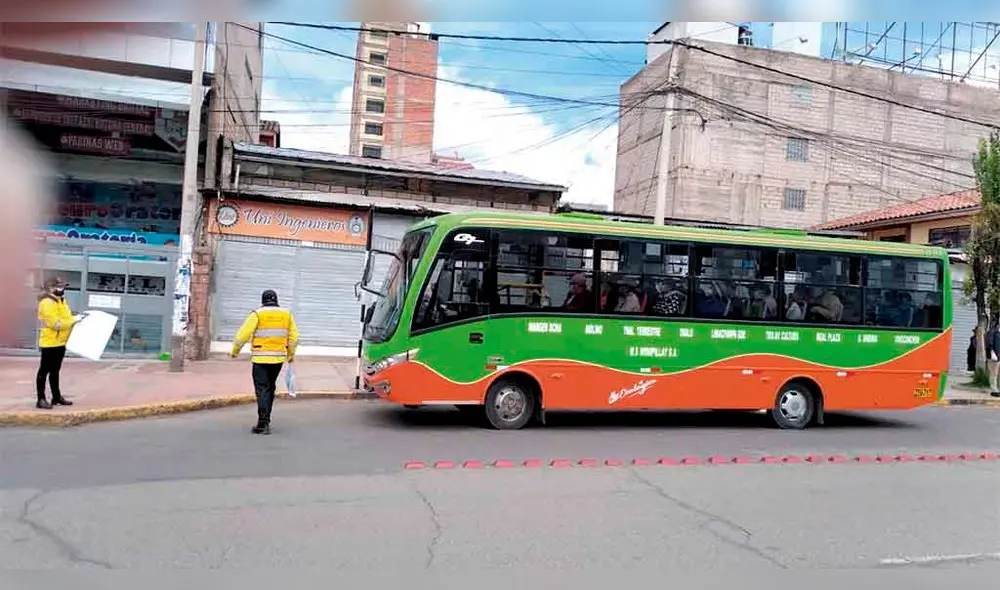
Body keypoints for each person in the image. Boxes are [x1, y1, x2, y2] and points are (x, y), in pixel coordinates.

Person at [231, 290, 299, 434]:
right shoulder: (286, 315)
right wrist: (290, 355)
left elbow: (242, 335)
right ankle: (266, 419)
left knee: (262, 389)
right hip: (278, 359)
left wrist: (235, 351)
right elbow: (294, 337)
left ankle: (263, 423)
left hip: (260, 358)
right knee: (270, 388)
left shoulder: (257, 314)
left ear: (263, 300)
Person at [36, 277, 80, 409]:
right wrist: (74, 320)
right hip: (50, 342)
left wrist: (75, 320)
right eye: (60, 287)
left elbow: (66, 318)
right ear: (51, 288)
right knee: (44, 371)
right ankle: (41, 399)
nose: (63, 289)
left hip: (60, 341)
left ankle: (56, 397)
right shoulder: (47, 303)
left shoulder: (61, 301)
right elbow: (55, 324)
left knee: (55, 371)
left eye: (63, 286)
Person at [988, 323, 1000, 398]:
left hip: (998, 356)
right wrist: (992, 352)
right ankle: (994, 390)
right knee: (994, 374)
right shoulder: (993, 332)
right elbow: (990, 343)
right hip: (994, 357)